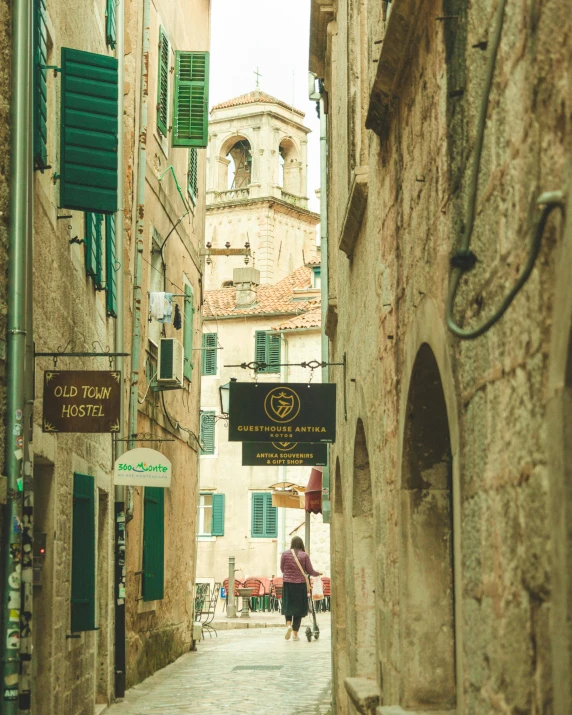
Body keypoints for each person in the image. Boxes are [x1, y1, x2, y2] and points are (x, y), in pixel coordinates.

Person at [280, 536, 321, 641]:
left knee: (288, 606)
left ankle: (288, 625)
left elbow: (282, 569)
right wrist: (318, 573)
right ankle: (295, 635)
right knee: (298, 610)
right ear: (301, 544)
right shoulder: (304, 555)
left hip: (288, 584)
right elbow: (310, 571)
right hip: (300, 585)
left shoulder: (284, 554)